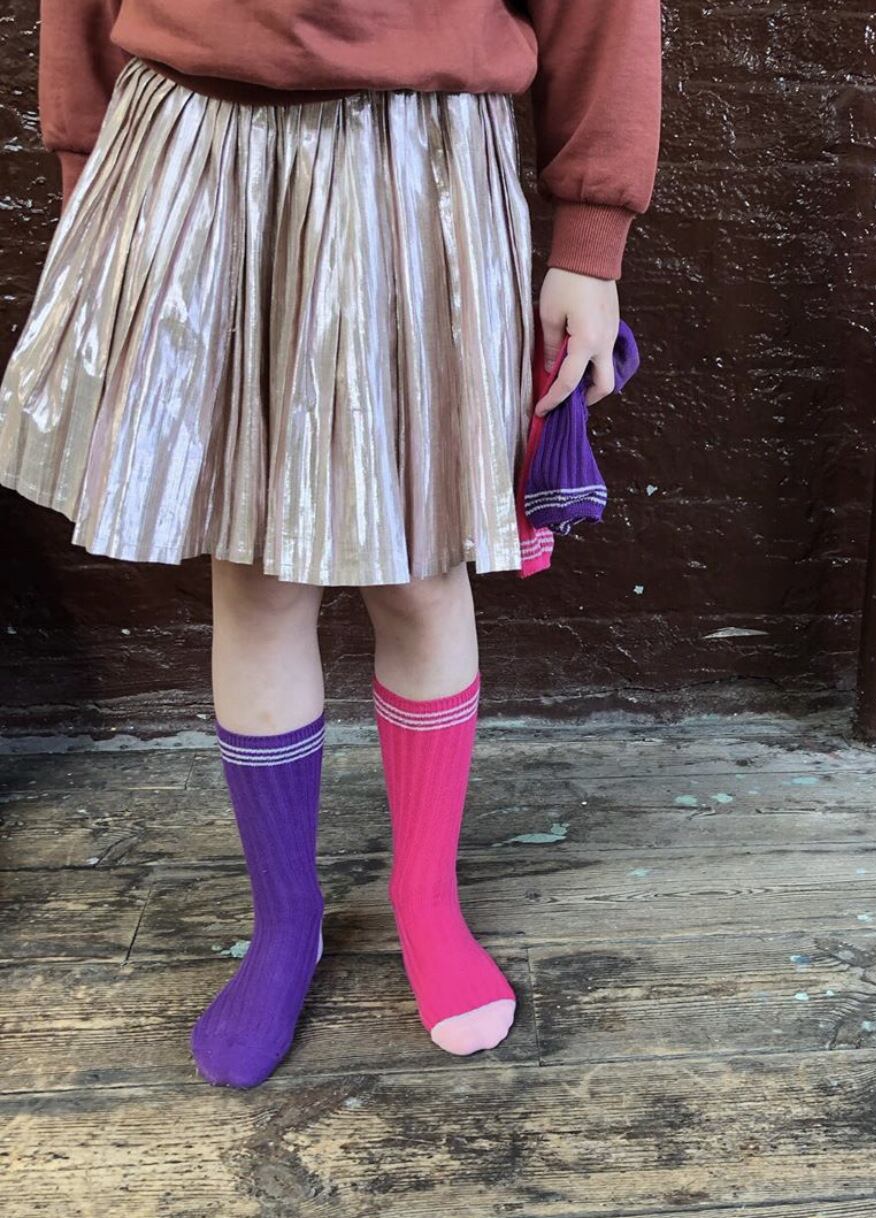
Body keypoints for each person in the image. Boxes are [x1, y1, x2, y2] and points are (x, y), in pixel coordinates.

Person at [0, 1, 662, 1087]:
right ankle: (284, 922)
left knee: (422, 570)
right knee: (256, 574)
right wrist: (88, 172)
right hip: (190, 159)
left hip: (424, 161)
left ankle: (425, 899)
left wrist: (591, 242)